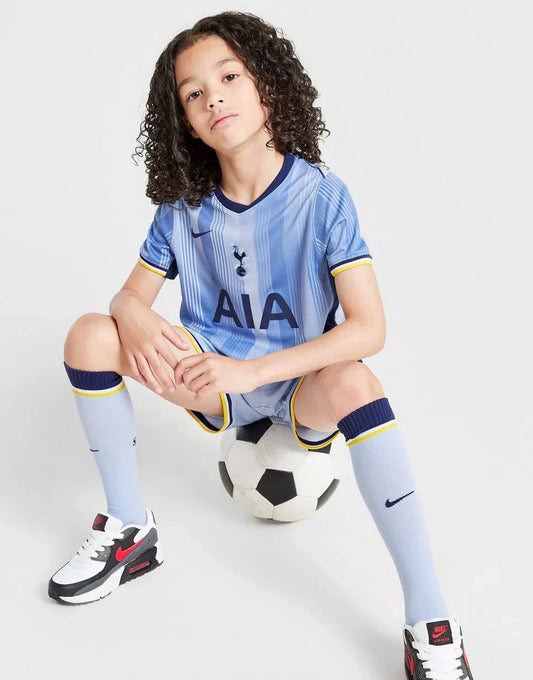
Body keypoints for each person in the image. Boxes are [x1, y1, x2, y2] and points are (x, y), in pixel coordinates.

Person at [48, 11, 474, 679]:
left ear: (267, 86)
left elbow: (369, 328)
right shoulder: (183, 207)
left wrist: (251, 373)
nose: (212, 98)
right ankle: (130, 528)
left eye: (228, 77)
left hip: (299, 386)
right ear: (186, 124)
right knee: (89, 335)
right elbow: (127, 298)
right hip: (209, 381)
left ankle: (429, 617)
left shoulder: (322, 196)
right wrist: (130, 312)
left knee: (357, 378)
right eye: (193, 93)